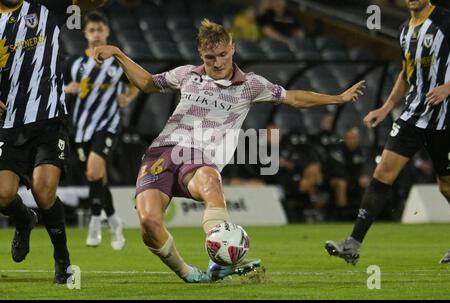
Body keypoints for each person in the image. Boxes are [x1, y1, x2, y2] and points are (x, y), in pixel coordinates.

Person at [93, 19, 365, 283]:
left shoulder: (250, 85)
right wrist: (118, 53)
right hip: (161, 153)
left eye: (223, 54)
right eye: (210, 57)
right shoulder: (186, 74)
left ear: (232, 48)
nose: (218, 62)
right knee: (149, 224)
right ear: (201, 54)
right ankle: (189, 274)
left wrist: (337, 98)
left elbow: (293, 98)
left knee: (210, 180)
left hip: (198, 156)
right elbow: (147, 83)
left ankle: (219, 260)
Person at [325, 0, 450, 265]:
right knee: (382, 173)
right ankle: (353, 243)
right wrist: (385, 108)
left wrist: (447, 87)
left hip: (445, 119)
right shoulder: (404, 30)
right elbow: (407, 73)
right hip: (412, 116)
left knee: (446, 185)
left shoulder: (445, 21)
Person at [0, 0, 106, 284]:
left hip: (49, 119)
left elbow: (92, 3)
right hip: (8, 125)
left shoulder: (47, 6)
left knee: (43, 191)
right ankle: (24, 219)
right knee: (2, 194)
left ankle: (63, 259)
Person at [64, 11, 138, 250]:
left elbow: (135, 83)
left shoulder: (117, 60)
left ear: (107, 32)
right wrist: (67, 89)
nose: (96, 34)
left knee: (94, 171)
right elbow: (57, 89)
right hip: (81, 128)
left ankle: (95, 224)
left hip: (108, 124)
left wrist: (127, 98)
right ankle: (115, 223)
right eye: (91, 30)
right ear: (85, 33)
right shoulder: (74, 63)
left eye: (100, 29)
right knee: (97, 177)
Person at [328, 126, 370, 219]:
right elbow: (338, 171)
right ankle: (342, 214)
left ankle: (366, 212)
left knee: (367, 182)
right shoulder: (338, 151)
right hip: (335, 180)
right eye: (350, 137)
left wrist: (362, 177)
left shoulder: (360, 151)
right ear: (345, 138)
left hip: (353, 179)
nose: (353, 140)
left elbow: (362, 169)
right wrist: (355, 179)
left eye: (355, 137)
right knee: (342, 183)